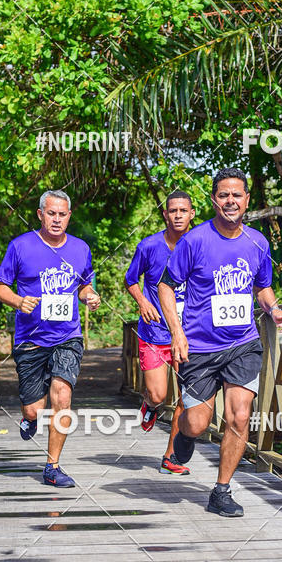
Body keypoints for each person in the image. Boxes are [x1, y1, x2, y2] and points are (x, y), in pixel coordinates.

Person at [158, 168, 282, 517]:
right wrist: (177, 333)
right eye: (223, 195)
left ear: (247, 200)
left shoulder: (258, 242)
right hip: (200, 347)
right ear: (214, 200)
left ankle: (221, 490)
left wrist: (275, 310)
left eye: (237, 195)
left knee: (239, 416)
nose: (230, 201)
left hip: (243, 343)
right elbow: (165, 286)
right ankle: (184, 437)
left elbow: (262, 287)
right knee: (198, 424)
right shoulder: (195, 241)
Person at [0, 189, 101, 487]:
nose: (57, 219)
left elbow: (84, 286)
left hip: (67, 335)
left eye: (62, 214)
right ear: (40, 214)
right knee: (34, 408)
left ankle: (52, 467)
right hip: (30, 338)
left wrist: (90, 296)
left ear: (69, 216)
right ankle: (30, 418)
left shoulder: (80, 248)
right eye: (51, 213)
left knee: (63, 396)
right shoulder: (20, 246)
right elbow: (0, 285)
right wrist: (18, 301)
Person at [124, 191, 196, 474]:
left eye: (183, 210)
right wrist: (142, 302)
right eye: (172, 211)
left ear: (191, 214)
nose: (178, 215)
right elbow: (131, 280)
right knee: (157, 394)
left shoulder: (200, 244)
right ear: (165, 215)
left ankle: (170, 458)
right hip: (154, 332)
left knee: (185, 398)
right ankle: (150, 406)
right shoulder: (149, 246)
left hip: (188, 334)